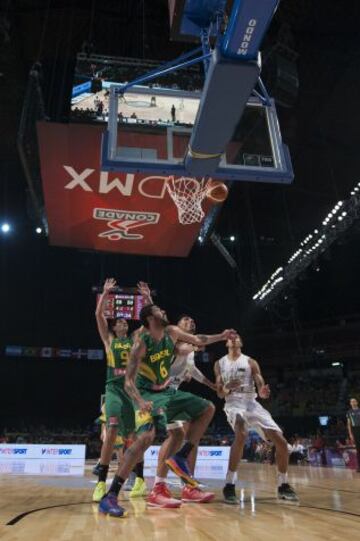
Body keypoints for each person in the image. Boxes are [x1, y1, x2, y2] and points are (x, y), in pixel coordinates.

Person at [99, 303, 235, 517]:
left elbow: (199, 340)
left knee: (207, 408)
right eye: (159, 311)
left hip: (168, 392)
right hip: (146, 394)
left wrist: (222, 335)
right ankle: (111, 496)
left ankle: (181, 456)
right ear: (150, 320)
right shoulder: (140, 345)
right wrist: (140, 401)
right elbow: (127, 382)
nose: (164, 312)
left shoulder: (171, 332)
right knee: (145, 438)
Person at [214, 334, 298, 504]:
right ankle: (229, 485)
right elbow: (219, 392)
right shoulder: (219, 363)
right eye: (231, 337)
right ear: (226, 343)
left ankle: (283, 485)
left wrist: (262, 392)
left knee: (281, 442)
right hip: (233, 404)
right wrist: (227, 388)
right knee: (242, 433)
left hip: (251, 403)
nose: (234, 338)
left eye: (237, 336)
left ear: (241, 342)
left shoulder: (250, 362)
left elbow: (260, 383)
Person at [147, 314, 218, 506]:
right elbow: (184, 349)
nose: (191, 321)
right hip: (159, 394)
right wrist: (199, 343)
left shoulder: (189, 350)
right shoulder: (173, 339)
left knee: (178, 435)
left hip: (170, 394)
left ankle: (180, 486)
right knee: (206, 410)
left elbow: (193, 370)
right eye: (186, 320)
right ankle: (168, 485)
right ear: (177, 326)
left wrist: (212, 385)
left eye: (193, 321)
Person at [92, 278, 150, 503]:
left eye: (126, 322)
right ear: (114, 327)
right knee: (113, 427)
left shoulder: (136, 339)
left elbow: (150, 321)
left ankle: (140, 480)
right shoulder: (108, 341)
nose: (124, 323)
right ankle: (100, 483)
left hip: (132, 391)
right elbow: (99, 316)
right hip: (114, 389)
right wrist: (105, 294)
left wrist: (146, 299)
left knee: (135, 438)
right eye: (120, 322)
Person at [347, 397, 360, 472]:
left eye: (354, 401)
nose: (353, 402)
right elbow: (348, 424)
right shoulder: (349, 412)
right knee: (358, 449)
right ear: (350, 403)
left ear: (357, 403)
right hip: (355, 430)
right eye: (352, 401)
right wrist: (350, 434)